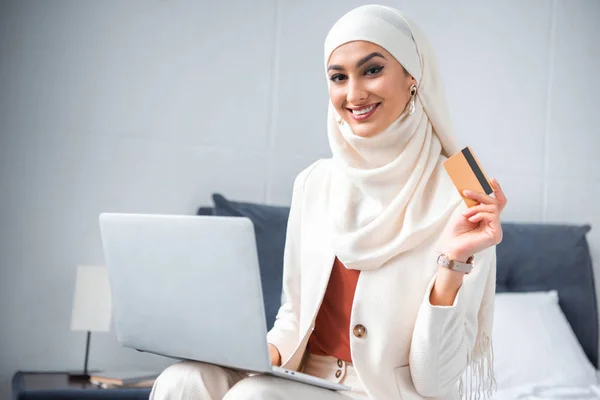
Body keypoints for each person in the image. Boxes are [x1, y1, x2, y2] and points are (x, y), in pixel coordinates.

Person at [150, 4, 507, 400]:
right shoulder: (315, 182)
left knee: (256, 398)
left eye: (372, 70)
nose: (353, 94)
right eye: (339, 77)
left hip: (384, 392)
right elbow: (294, 315)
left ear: (412, 76)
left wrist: (454, 261)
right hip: (301, 378)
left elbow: (436, 381)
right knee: (181, 379)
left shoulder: (465, 190)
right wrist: (253, 355)